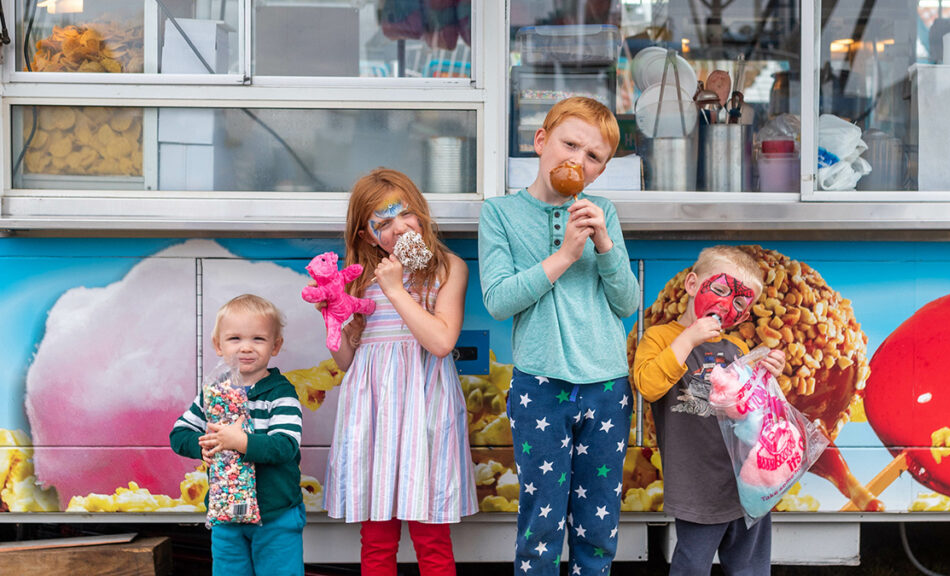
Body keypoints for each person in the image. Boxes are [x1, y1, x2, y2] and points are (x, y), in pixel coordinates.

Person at [478, 96, 640, 575]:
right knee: (541, 518)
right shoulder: (500, 214)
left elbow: (626, 303)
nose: (577, 160)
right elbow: (499, 300)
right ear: (540, 141)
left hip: (607, 386)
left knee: (598, 522)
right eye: (570, 144)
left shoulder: (602, 212)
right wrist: (566, 254)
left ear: (600, 171)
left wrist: (603, 245)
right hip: (540, 387)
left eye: (593, 157)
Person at [318, 168, 477, 576]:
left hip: (424, 415)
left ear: (420, 211)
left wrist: (395, 289)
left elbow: (441, 342)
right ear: (367, 236)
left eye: (405, 214)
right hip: (374, 420)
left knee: (432, 539)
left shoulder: (446, 269)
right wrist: (336, 325)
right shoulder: (358, 281)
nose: (400, 227)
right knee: (376, 541)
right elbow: (346, 362)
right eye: (384, 223)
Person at [632, 246, 787, 576]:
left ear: (743, 317)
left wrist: (769, 372)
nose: (725, 304)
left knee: (751, 568)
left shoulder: (739, 349)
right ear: (692, 285)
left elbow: (755, 414)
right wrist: (689, 339)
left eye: (739, 303)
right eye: (718, 290)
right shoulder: (660, 338)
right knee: (691, 565)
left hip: (748, 483)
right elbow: (648, 386)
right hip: (696, 485)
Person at [170, 294, 305, 576]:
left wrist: (240, 442)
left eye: (258, 339)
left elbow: (286, 445)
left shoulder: (280, 394)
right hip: (227, 516)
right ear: (218, 345)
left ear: (275, 345)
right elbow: (179, 433)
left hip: (275, 516)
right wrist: (202, 447)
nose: (246, 347)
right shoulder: (214, 394)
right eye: (234, 339)